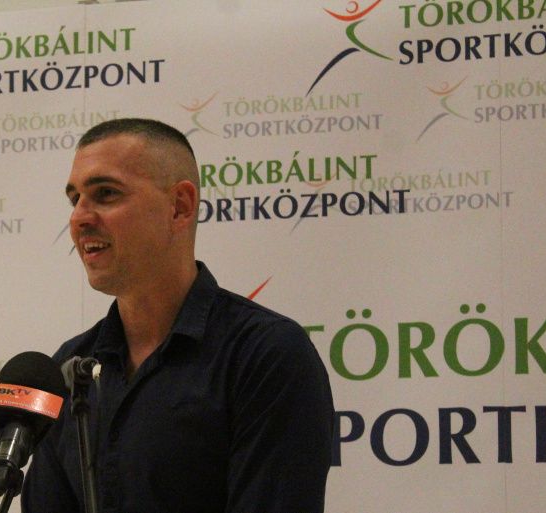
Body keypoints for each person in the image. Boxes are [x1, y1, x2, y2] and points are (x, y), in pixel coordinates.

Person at [21, 118, 334, 513]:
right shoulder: (67, 368)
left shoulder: (266, 354)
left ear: (180, 207)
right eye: (75, 199)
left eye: (106, 194)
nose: (79, 218)